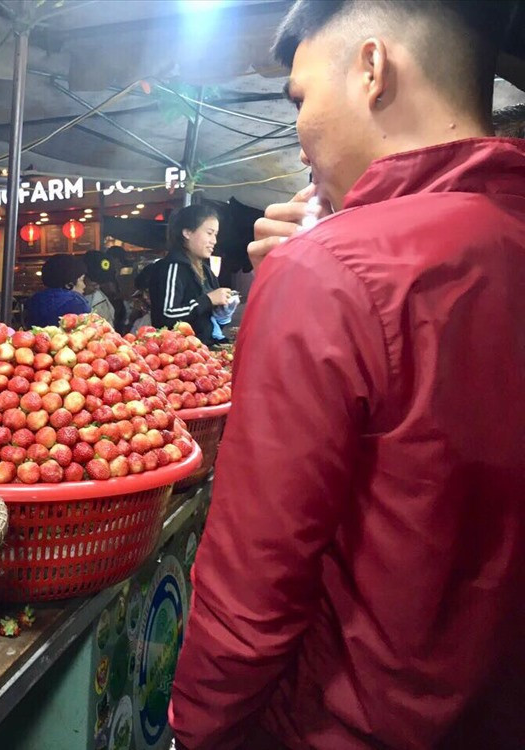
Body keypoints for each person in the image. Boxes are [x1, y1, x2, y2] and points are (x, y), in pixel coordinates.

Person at [170, 2, 524, 750]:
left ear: (372, 68)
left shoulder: (326, 273)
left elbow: (253, 587)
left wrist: (196, 731)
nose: (300, 138)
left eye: (300, 98)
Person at [147, 204, 233, 345]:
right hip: (179, 356)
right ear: (187, 233)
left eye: (215, 235)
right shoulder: (172, 267)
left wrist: (222, 314)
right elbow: (166, 316)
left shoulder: (206, 271)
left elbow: (205, 323)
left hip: (206, 351)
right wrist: (208, 300)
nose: (214, 241)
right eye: (209, 233)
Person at [24, 254, 89, 327]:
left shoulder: (34, 301)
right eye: (82, 280)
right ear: (68, 285)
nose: (84, 286)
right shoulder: (77, 302)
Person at [82, 251, 117, 326]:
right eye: (93, 283)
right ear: (82, 277)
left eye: (100, 283)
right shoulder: (73, 302)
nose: (97, 287)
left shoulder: (99, 299)